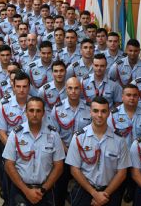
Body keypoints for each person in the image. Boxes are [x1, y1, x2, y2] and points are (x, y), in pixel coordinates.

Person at [66, 96, 131, 206]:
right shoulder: (79, 137)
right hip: (85, 191)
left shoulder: (120, 140)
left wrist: (104, 194)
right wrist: (95, 194)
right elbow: (74, 170)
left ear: (109, 113)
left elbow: (122, 173)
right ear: (90, 112)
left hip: (110, 192)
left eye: (103, 111)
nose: (99, 115)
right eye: (96, 111)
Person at [3, 97, 66, 206]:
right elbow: (9, 165)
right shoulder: (16, 134)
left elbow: (59, 166)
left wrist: (43, 189)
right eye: (31, 110)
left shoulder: (53, 135)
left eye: (38, 111)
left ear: (43, 113)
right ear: (26, 112)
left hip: (45, 191)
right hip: (20, 190)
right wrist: (27, 191)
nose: (35, 114)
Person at [49, 77, 92, 206]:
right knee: (60, 186)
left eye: (76, 88)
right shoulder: (57, 109)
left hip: (84, 154)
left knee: (83, 186)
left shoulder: (89, 108)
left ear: (81, 89)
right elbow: (54, 133)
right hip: (63, 152)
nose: (73, 91)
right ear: (66, 90)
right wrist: (67, 150)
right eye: (70, 88)